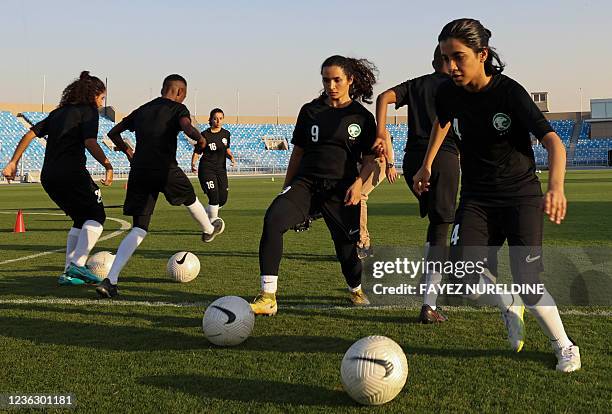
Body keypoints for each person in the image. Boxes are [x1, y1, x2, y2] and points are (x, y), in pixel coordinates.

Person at [413, 18, 580, 372]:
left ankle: (565, 346)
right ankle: (507, 301)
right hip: (476, 198)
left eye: (458, 57)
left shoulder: (509, 93)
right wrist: (427, 164)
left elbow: (553, 142)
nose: (450, 66)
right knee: (465, 279)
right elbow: (442, 122)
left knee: (530, 285)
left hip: (520, 196)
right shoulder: (447, 92)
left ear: (482, 54)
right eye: (446, 58)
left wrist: (556, 187)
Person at [251, 55, 379, 316]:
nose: (331, 85)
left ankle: (355, 288)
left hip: (342, 190)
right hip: (306, 184)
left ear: (350, 80)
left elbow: (369, 160)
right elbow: (297, 154)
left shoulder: (361, 117)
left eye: (336, 80)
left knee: (347, 253)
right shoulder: (310, 111)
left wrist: (358, 184)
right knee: (273, 219)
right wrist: (285, 190)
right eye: (326, 79)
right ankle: (268, 297)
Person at [96, 74, 224, 298]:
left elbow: (113, 132)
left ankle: (110, 280)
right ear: (180, 92)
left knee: (139, 228)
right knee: (190, 197)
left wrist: (127, 151)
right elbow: (187, 128)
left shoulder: (143, 109)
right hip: (164, 168)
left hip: (139, 171)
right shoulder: (178, 109)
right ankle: (208, 229)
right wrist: (200, 140)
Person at [2, 71, 112, 286]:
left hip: (49, 176)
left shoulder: (58, 113)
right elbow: (90, 142)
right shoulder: (88, 112)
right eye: (101, 98)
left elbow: (29, 134)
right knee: (97, 216)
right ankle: (77, 266)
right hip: (72, 173)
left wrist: (13, 162)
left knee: (81, 219)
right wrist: (107, 165)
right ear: (93, 95)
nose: (101, 103)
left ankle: (67, 272)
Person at [375, 46, 459, 323]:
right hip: (442, 157)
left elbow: (383, 97)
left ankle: (430, 293)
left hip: (412, 159)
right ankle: (429, 303)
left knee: (436, 224)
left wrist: (380, 132)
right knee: (441, 228)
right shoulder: (457, 86)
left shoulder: (416, 84)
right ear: (447, 61)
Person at [191, 108, 236, 222]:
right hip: (207, 169)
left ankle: (204, 213)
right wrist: (193, 163)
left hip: (221, 170)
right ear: (210, 119)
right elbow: (197, 151)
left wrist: (231, 157)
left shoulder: (226, 134)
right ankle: (212, 223)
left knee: (223, 199)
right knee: (214, 196)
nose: (218, 121)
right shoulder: (204, 135)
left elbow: (226, 149)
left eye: (220, 118)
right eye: (215, 118)